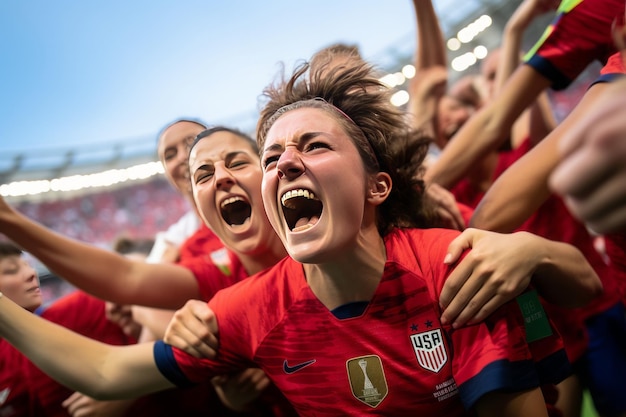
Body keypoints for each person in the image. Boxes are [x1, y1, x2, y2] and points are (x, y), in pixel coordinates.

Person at [0, 60, 603, 417]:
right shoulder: (248, 306)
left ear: (378, 187)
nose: (283, 163)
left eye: (313, 145)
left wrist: (534, 250)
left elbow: (582, 286)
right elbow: (106, 369)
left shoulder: (451, 269)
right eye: (272, 155)